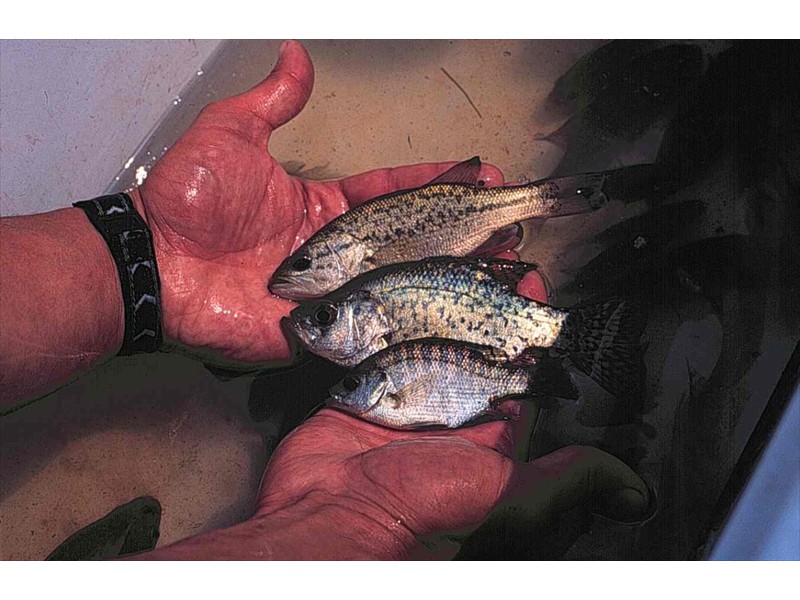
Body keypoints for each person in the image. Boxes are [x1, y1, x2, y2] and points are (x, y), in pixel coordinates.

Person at [0, 40, 652, 560]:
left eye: (313, 275)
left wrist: (138, 252)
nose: (295, 297)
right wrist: (360, 526)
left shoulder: (367, 288)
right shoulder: (357, 297)